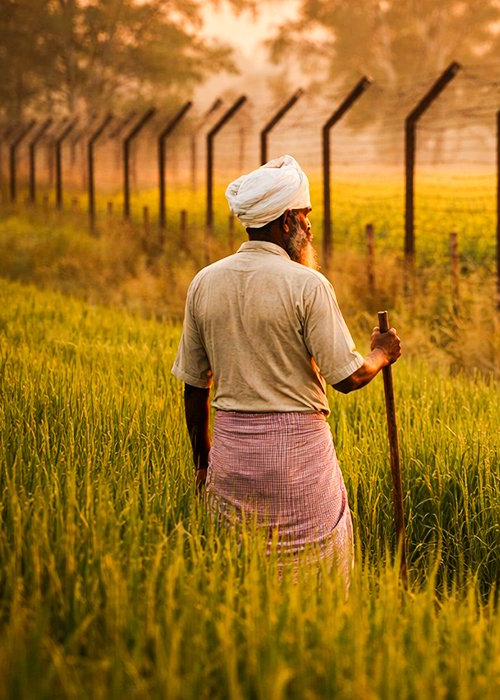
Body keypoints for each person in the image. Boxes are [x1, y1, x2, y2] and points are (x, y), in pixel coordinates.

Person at [172, 154, 400, 580]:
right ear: (285, 222)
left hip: (231, 458)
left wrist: (203, 463)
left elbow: (194, 386)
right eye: (304, 215)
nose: (310, 226)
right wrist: (381, 353)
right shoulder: (307, 284)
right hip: (298, 463)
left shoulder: (205, 281)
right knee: (317, 576)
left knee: (238, 575)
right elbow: (348, 377)